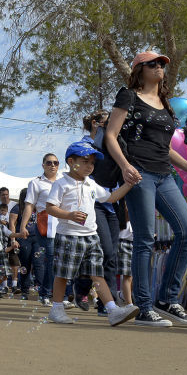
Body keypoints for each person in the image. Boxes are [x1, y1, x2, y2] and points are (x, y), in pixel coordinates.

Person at [104, 50, 187, 327]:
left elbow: (165, 149)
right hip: (138, 174)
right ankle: (143, 306)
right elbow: (110, 135)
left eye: (162, 63)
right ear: (140, 69)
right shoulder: (128, 96)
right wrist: (126, 166)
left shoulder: (165, 102)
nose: (160, 67)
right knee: (145, 239)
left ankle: (167, 299)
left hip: (164, 175)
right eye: (153, 63)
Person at [45, 141, 139, 325]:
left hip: (91, 237)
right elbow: (50, 208)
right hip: (68, 236)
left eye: (92, 163)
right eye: (86, 161)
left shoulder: (92, 184)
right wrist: (69, 215)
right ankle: (56, 309)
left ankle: (112, 310)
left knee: (98, 274)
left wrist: (128, 185)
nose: (90, 166)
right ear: (71, 162)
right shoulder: (62, 184)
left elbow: (110, 198)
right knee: (63, 274)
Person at [73, 109, 121, 316]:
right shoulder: (84, 146)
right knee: (105, 253)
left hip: (112, 202)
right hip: (93, 204)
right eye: (106, 121)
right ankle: (82, 289)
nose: (111, 124)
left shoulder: (115, 144)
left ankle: (104, 305)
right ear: (95, 124)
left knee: (112, 256)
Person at [18, 153, 61, 306]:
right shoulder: (36, 183)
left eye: (56, 162)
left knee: (62, 261)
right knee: (50, 260)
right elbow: (29, 205)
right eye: (49, 163)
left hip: (63, 224)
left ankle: (61, 296)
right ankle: (46, 294)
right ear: (43, 165)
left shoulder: (63, 181)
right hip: (45, 224)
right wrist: (23, 225)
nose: (53, 165)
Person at [7, 188, 29, 295]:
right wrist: (13, 240)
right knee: (19, 263)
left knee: (30, 264)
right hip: (20, 240)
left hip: (32, 239)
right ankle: (17, 286)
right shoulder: (17, 208)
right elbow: (12, 225)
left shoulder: (33, 207)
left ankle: (24, 286)